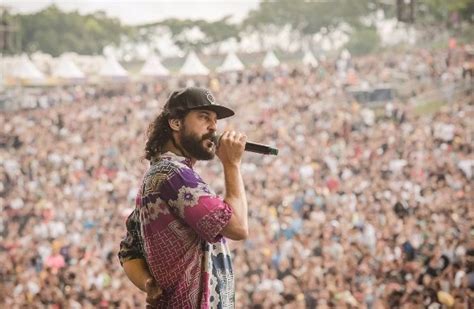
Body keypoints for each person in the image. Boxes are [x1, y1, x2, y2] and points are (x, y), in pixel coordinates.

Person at [118, 87, 249, 308]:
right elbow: (238, 227)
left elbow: (129, 250)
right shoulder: (173, 174)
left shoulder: (158, 175)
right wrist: (231, 164)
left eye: (215, 120)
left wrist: (149, 283)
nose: (213, 127)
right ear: (176, 123)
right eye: (203, 117)